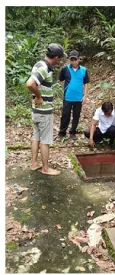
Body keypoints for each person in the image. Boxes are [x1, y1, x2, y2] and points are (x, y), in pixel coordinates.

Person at [26, 43, 66, 176]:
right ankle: (45, 168)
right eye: (59, 58)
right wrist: (38, 96)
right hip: (43, 111)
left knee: (36, 136)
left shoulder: (39, 64)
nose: (59, 61)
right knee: (45, 140)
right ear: (55, 57)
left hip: (36, 110)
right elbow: (30, 84)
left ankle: (34, 164)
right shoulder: (44, 68)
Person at [57, 50, 89, 140]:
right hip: (68, 97)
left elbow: (86, 83)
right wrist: (65, 89)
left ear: (79, 59)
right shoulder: (65, 69)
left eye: (75, 59)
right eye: (72, 59)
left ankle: (73, 132)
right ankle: (62, 133)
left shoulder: (84, 70)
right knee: (65, 115)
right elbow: (60, 80)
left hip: (78, 98)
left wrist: (85, 96)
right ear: (69, 60)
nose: (73, 61)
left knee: (76, 115)